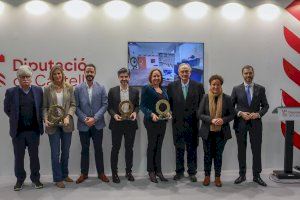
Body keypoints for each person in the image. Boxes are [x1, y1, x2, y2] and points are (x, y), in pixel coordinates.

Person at [4, 65, 44, 191]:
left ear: (31, 78)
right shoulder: (11, 92)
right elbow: (7, 109)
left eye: (27, 76)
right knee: (19, 157)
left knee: (34, 157)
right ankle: (20, 180)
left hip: (33, 131)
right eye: (22, 77)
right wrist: (16, 118)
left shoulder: (38, 91)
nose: (25, 79)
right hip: (18, 132)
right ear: (18, 79)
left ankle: (36, 179)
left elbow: (41, 108)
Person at [231, 65, 269, 186]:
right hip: (240, 124)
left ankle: (256, 176)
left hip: (256, 124)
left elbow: (266, 106)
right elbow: (231, 107)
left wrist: (258, 114)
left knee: (256, 150)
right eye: (246, 73)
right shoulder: (236, 89)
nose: (248, 76)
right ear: (242, 74)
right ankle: (242, 175)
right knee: (241, 150)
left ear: (253, 73)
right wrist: (240, 113)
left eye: (250, 73)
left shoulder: (261, 89)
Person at [167, 63, 204, 182]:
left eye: (186, 71)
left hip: (193, 123)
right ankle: (179, 171)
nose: (184, 73)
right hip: (177, 123)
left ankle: (192, 172)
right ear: (178, 73)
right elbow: (169, 104)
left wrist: (199, 116)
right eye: (182, 71)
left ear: (190, 73)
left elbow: (202, 105)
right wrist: (170, 113)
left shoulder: (198, 86)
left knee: (192, 148)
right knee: (179, 148)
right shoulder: (171, 86)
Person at [74, 64, 109, 184]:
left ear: (94, 73)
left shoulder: (101, 87)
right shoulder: (78, 88)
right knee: (84, 149)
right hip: (83, 125)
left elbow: (105, 105)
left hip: (97, 124)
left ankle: (101, 173)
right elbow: (76, 107)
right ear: (84, 73)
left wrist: (94, 119)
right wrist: (85, 119)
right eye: (87, 72)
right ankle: (84, 174)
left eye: (92, 72)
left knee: (98, 149)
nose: (89, 74)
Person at [198, 75, 234, 187]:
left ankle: (218, 177)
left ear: (221, 85)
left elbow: (232, 115)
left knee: (218, 155)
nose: (215, 86)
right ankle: (207, 177)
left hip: (221, 132)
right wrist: (211, 120)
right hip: (207, 132)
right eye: (213, 84)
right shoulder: (205, 97)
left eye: (218, 84)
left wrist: (223, 120)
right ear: (210, 85)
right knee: (207, 155)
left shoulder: (227, 98)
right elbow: (199, 114)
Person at [43, 65, 76, 188]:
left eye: (59, 73)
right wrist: (46, 119)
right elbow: (44, 107)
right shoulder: (47, 89)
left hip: (67, 124)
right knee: (55, 153)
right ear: (51, 76)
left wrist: (68, 116)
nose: (57, 76)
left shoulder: (69, 88)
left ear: (62, 74)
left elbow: (73, 104)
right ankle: (57, 178)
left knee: (66, 152)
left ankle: (65, 174)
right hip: (53, 125)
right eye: (55, 74)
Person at [108, 68, 139, 183]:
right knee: (115, 149)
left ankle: (128, 172)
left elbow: (137, 106)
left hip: (130, 124)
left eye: (126, 77)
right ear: (118, 78)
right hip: (117, 124)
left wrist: (135, 112)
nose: (124, 79)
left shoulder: (135, 91)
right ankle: (114, 173)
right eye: (122, 77)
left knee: (129, 149)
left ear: (129, 77)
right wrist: (114, 115)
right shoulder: (112, 91)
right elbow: (109, 107)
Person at [140, 68, 171, 183]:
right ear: (150, 78)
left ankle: (159, 171)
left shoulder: (163, 89)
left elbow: (166, 105)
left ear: (161, 78)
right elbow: (142, 106)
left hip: (162, 122)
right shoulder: (147, 88)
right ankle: (151, 171)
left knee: (159, 147)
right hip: (151, 121)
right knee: (152, 146)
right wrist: (151, 114)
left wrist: (168, 113)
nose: (156, 78)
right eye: (154, 76)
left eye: (158, 76)